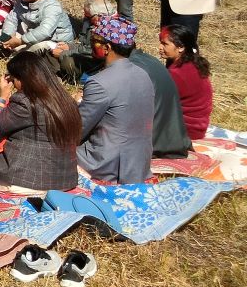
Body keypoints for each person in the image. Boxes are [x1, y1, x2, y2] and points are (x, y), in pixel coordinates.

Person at [77, 15, 154, 184]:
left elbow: (78, 130)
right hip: (139, 161)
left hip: (108, 164)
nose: (91, 44)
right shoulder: (143, 75)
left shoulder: (98, 83)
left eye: (94, 41)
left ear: (107, 47)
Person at [0, 51, 81, 194]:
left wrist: (2, 98)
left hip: (27, 181)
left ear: (21, 79)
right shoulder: (66, 100)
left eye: (14, 79)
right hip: (65, 181)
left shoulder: (24, 102)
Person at [126, 36, 190, 159]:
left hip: (152, 143)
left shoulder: (132, 68)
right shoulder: (149, 59)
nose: (160, 47)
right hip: (174, 137)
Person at [0, 0, 75, 69]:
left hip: (55, 41)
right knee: (1, 35)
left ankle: (18, 57)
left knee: (37, 48)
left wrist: (20, 41)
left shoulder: (52, 6)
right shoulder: (21, 1)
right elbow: (11, 19)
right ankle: (17, 53)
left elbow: (45, 31)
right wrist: (8, 37)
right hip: (31, 36)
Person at [159, 24, 214, 140]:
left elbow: (159, 104)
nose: (159, 47)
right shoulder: (194, 63)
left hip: (185, 131)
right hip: (198, 128)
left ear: (180, 47)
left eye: (165, 44)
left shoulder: (177, 74)